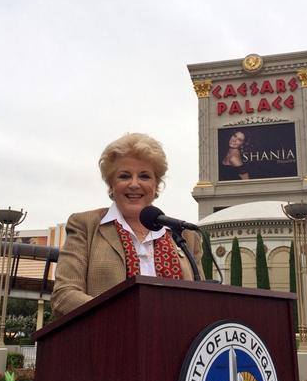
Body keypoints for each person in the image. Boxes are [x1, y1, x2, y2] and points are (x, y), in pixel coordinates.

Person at [51, 133, 203, 317]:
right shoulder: (85, 225)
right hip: (107, 338)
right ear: (111, 184)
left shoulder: (184, 235)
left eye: (144, 176)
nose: (134, 184)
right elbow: (64, 295)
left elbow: (200, 297)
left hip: (174, 342)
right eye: (124, 176)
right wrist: (122, 316)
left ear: (156, 185)